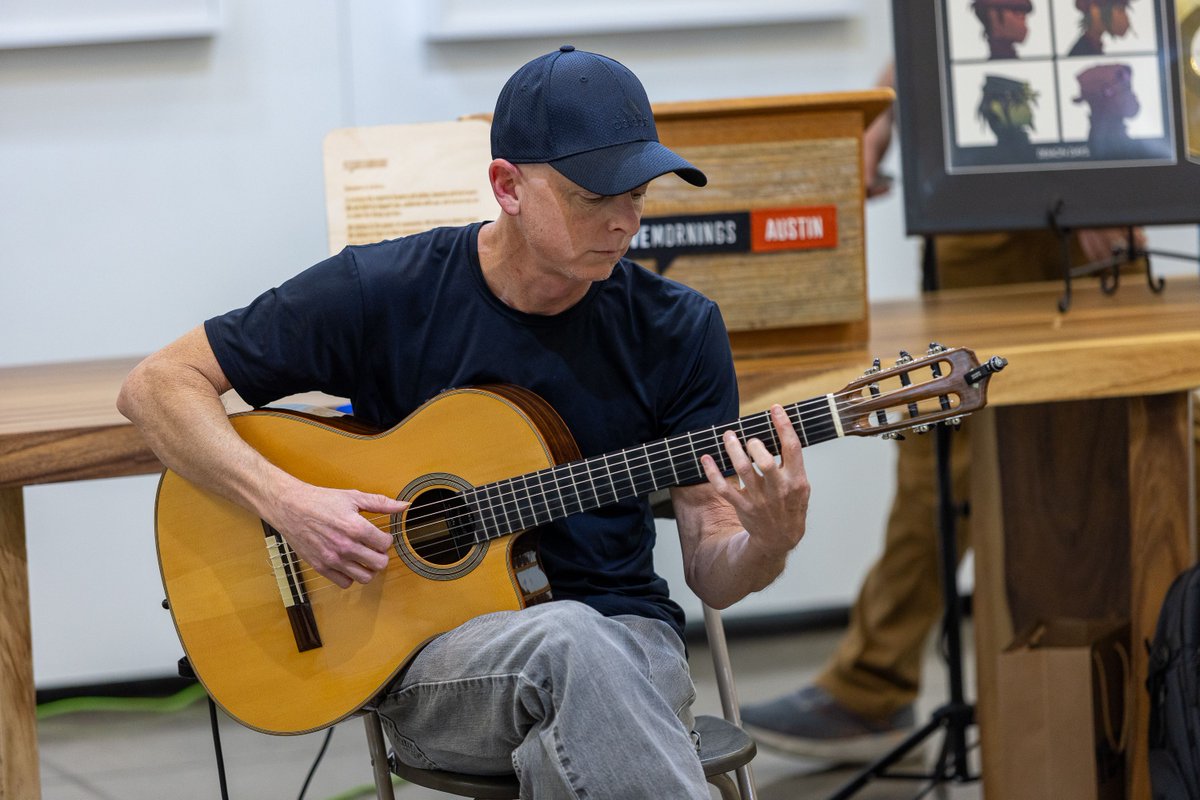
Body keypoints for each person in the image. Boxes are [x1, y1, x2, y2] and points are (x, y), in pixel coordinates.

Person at [118, 46, 812, 798]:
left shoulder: (679, 330)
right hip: (438, 663)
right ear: (507, 186)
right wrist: (288, 502)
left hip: (632, 643)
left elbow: (713, 569)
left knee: (576, 697)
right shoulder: (384, 291)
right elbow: (158, 386)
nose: (624, 222)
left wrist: (767, 543)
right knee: (569, 641)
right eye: (592, 197)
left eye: (638, 194)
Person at [740, 61, 1153, 763]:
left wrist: (1100, 174)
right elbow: (932, 27)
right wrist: (883, 116)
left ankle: (1151, 680)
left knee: (1131, 438)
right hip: (977, 199)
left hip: (1086, 174)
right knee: (939, 452)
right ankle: (877, 684)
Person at [1068, 0, 1133, 56]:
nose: (1126, 18)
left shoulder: (1092, 46)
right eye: (1120, 10)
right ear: (1094, 12)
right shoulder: (1081, 52)